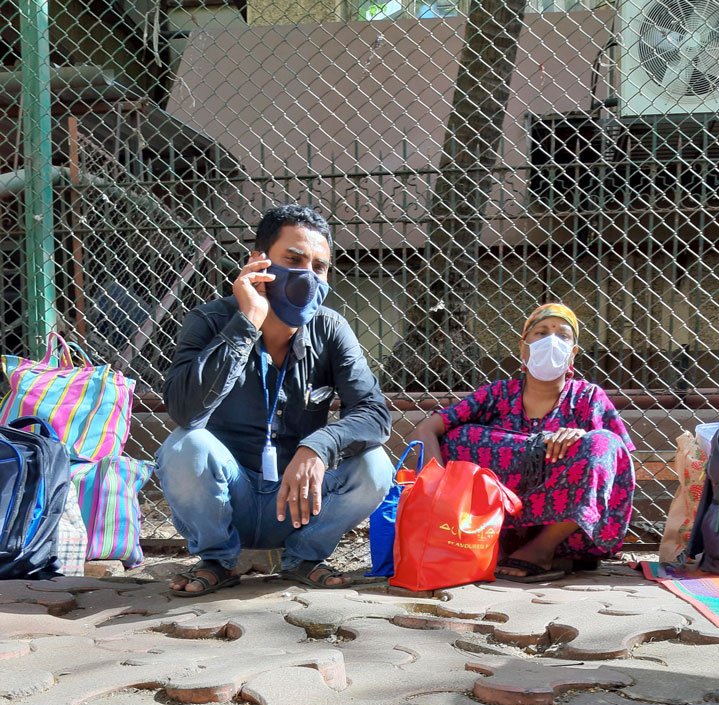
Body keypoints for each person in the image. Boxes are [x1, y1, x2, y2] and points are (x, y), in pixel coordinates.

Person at [156, 204, 393, 594]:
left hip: (300, 499)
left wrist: (318, 447)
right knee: (187, 446)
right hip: (231, 495)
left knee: (375, 465)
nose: (308, 276)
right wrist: (247, 321)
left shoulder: (330, 328)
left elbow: (374, 413)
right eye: (294, 260)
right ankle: (218, 560)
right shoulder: (211, 320)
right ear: (259, 263)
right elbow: (185, 411)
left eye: (319, 267)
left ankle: (303, 558)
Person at [411, 303, 635, 581]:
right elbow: (427, 429)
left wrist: (583, 438)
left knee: (604, 442)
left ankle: (542, 549)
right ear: (523, 348)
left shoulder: (589, 397)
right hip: (495, 524)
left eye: (563, 336)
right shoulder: (498, 393)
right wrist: (437, 487)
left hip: (569, 531)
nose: (551, 341)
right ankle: (497, 546)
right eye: (541, 333)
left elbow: (620, 459)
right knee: (458, 437)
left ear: (573, 353)